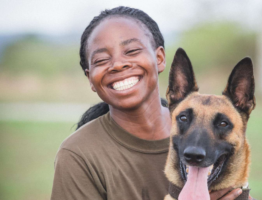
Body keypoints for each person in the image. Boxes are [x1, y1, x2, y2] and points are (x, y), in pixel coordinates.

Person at [51, 6, 242, 200]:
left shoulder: (212, 137)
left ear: (159, 58)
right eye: (101, 60)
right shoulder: (78, 154)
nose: (118, 64)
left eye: (132, 50)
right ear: (90, 78)